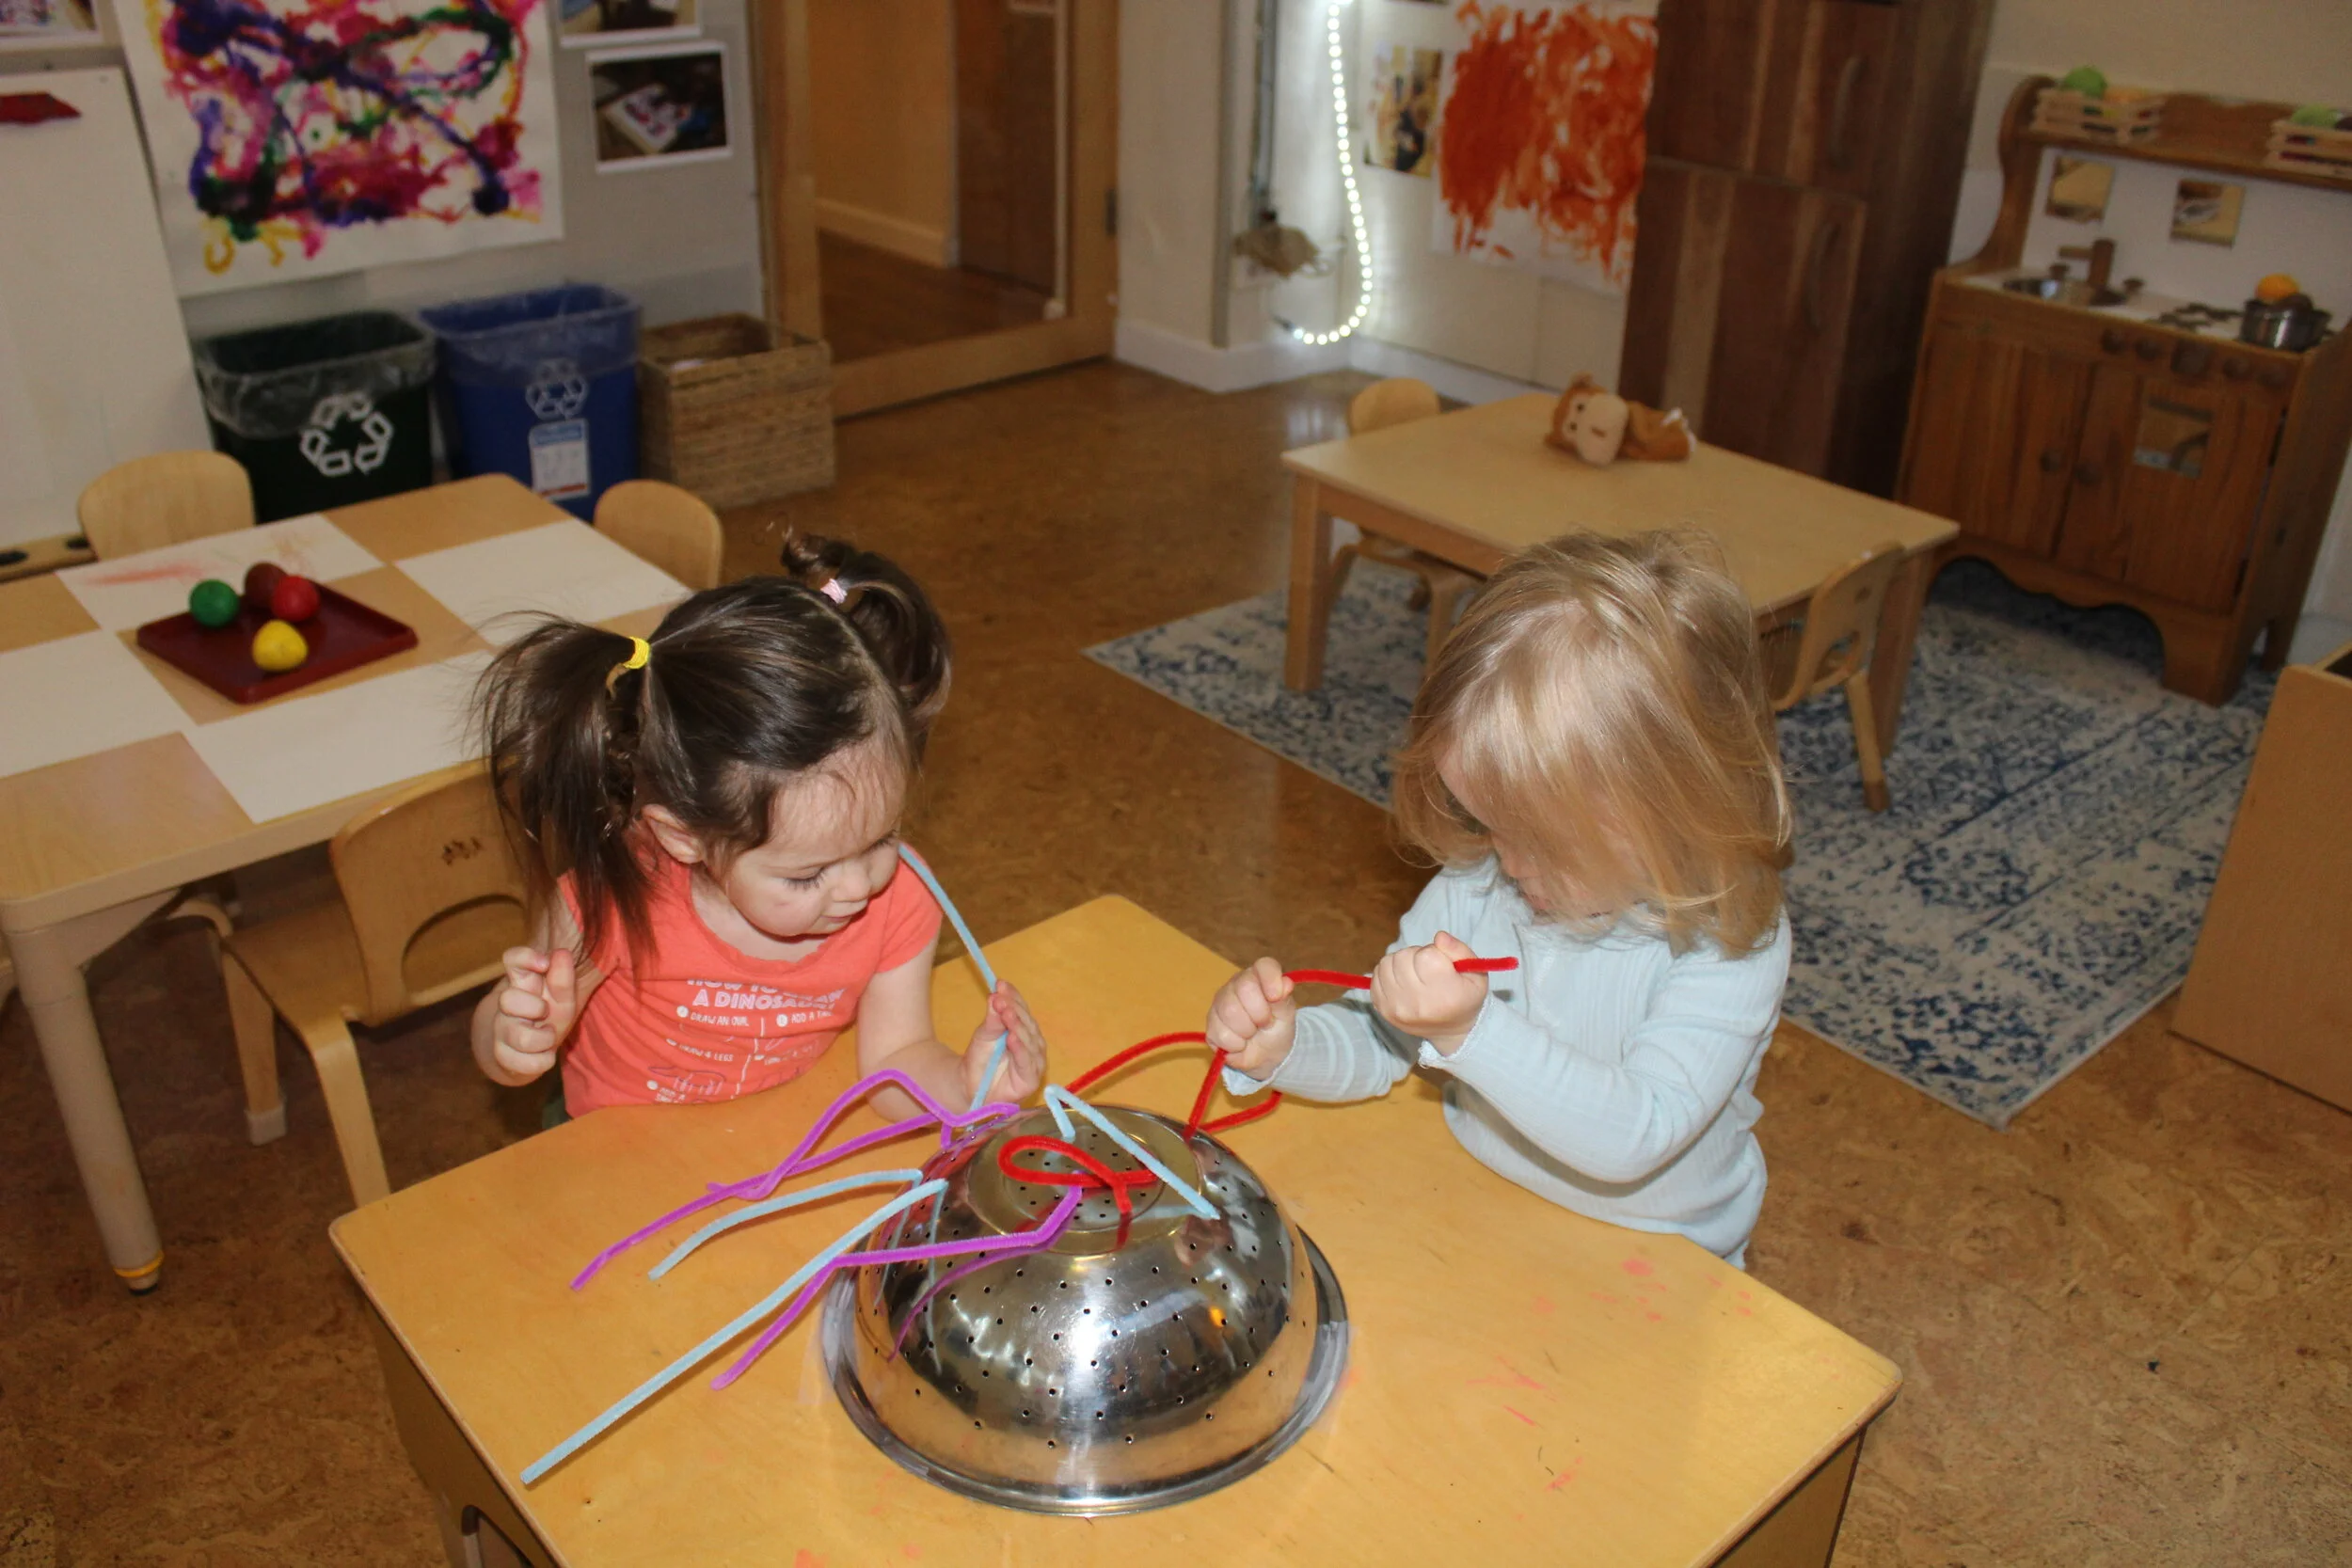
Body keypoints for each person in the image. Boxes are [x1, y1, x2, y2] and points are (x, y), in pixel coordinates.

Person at [1205, 531, 1792, 1265]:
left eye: (1541, 840)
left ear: (1663, 809)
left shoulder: (1729, 941)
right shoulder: (1481, 884)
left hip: (1669, 1256)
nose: (1507, 862)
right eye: (1488, 822)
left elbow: (1638, 1134)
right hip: (1479, 1207)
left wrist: (1471, 1031)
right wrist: (1285, 1048)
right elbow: (1380, 1040)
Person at [469, 535, 1044, 1123]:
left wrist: (968, 1087)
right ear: (683, 838)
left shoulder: (900, 899)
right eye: (807, 875)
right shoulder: (608, 902)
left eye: (879, 840)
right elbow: (500, 1053)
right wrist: (516, 1039)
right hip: (616, 1146)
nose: (858, 887)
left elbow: (895, 1061)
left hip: (771, 1141)